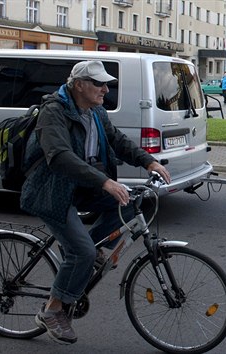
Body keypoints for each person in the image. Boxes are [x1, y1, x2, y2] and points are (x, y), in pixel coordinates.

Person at [20, 60, 171, 345]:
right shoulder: (54, 112)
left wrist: (148, 161)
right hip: (52, 191)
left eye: (106, 84)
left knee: (133, 203)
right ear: (79, 86)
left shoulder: (95, 111)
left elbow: (117, 140)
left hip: (81, 185)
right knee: (83, 252)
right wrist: (105, 182)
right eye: (99, 84)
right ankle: (53, 309)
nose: (105, 89)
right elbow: (60, 156)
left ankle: (85, 253)